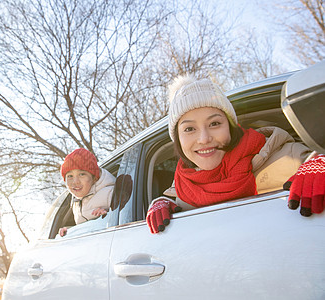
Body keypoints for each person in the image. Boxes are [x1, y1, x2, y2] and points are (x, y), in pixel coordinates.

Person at [146, 74, 325, 234]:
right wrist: (161, 202)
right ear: (178, 139)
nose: (204, 138)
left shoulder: (288, 157)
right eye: (189, 128)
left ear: (231, 127)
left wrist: (321, 162)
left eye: (214, 124)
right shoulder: (182, 193)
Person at [59, 148, 115, 237]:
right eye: (70, 176)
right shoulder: (75, 202)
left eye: (82, 174)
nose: (75, 182)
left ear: (94, 178)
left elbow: (125, 218)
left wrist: (107, 215)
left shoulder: (110, 193)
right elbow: (83, 227)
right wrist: (68, 230)